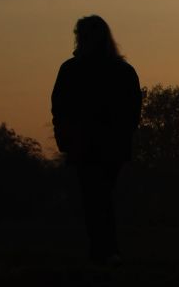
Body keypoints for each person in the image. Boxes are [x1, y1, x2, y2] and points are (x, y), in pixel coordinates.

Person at [51, 15, 141, 266]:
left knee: (94, 196)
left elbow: (60, 107)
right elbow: (133, 109)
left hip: (89, 144)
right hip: (108, 145)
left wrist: (65, 136)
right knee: (101, 195)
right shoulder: (122, 71)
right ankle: (107, 250)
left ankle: (102, 250)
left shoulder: (71, 69)